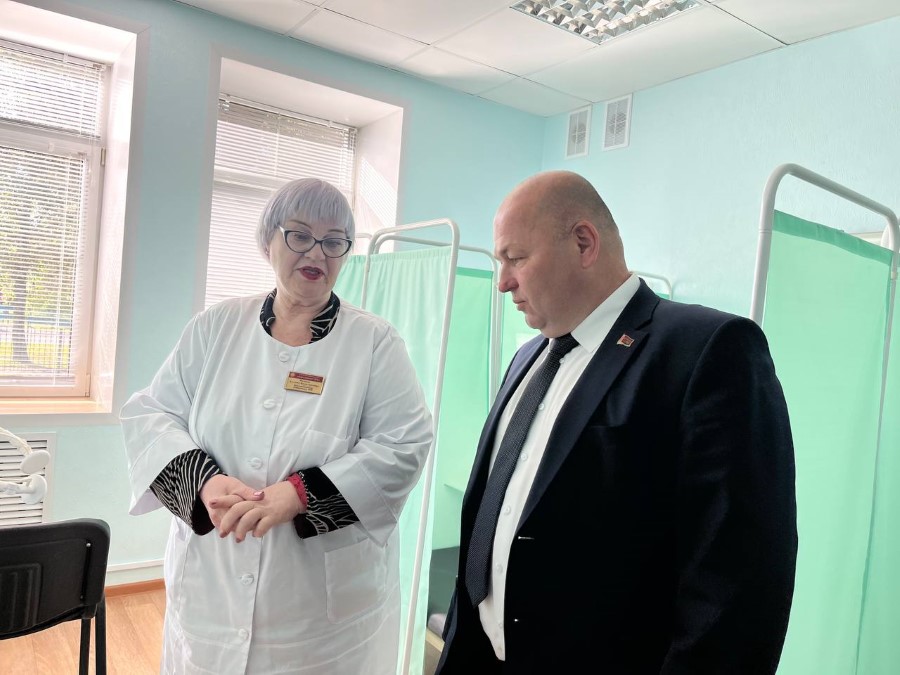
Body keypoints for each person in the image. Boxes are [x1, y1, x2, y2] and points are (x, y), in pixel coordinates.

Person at [437, 170, 797, 674]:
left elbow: (738, 581)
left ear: (584, 243)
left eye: (515, 258)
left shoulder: (704, 350)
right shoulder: (527, 359)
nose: (503, 282)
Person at [120, 178, 433, 675]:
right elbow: (150, 413)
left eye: (334, 241)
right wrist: (203, 482)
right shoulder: (215, 327)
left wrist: (301, 495)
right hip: (212, 591)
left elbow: (404, 444)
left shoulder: (374, 343)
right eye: (300, 235)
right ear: (268, 241)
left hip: (320, 619)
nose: (317, 252)